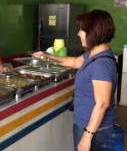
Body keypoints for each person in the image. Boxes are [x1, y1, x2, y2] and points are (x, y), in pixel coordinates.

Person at [33, 9, 117, 151]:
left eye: (81, 30)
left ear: (94, 31)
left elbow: (102, 104)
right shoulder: (93, 54)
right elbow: (74, 62)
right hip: (86, 123)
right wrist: (48, 56)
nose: (78, 34)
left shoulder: (101, 64)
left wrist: (88, 135)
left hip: (94, 128)